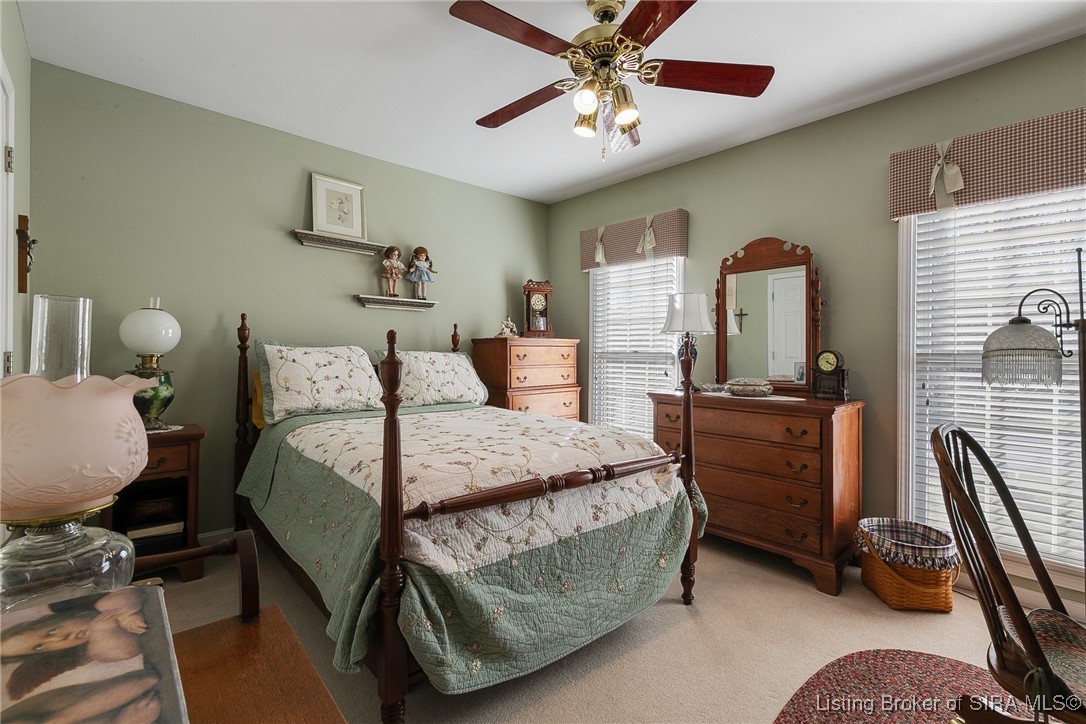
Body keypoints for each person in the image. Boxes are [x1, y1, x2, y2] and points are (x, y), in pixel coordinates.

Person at [1, 587, 149, 701]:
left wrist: (126, 615)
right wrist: (103, 629)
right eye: (40, 647)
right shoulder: (91, 650)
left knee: (106, 604)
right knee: (98, 651)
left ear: (55, 620)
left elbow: (134, 593)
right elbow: (125, 651)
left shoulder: (68, 604)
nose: (59, 639)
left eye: (51, 631)